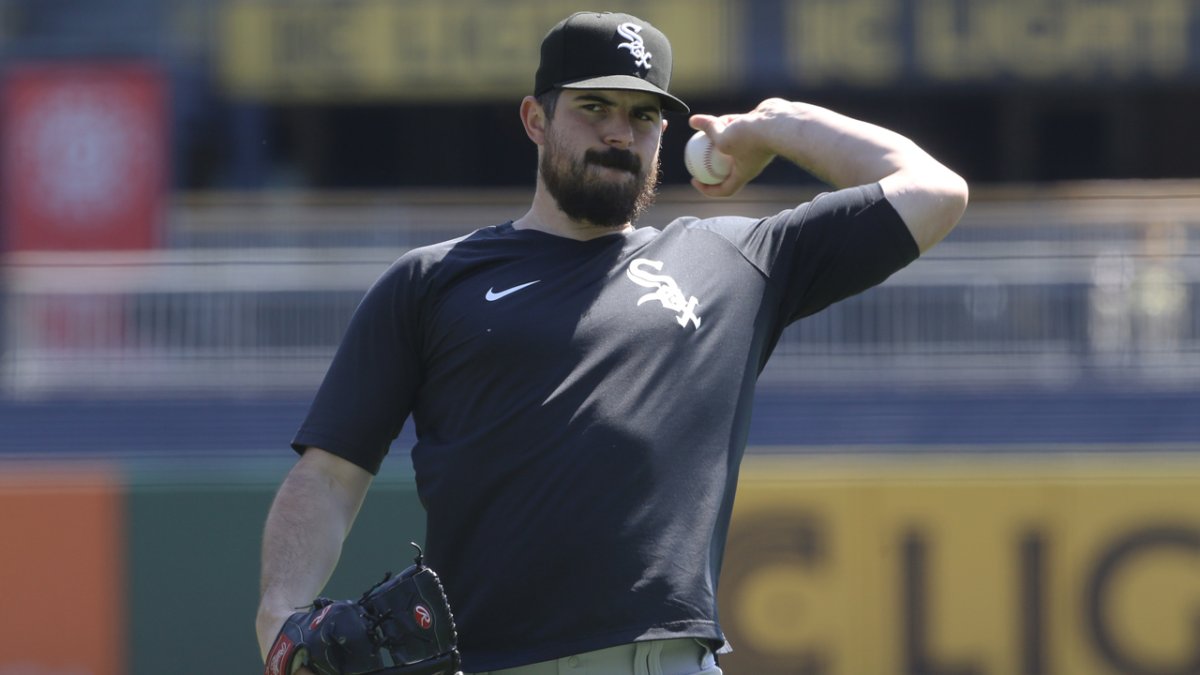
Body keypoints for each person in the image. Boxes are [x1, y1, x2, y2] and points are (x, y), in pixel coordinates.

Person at [256, 10, 968, 675]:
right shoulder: (433, 280)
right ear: (536, 119)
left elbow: (934, 191)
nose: (620, 133)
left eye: (644, 114)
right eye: (593, 108)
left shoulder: (734, 262)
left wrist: (775, 124)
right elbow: (327, 474)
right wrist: (279, 618)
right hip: (491, 657)